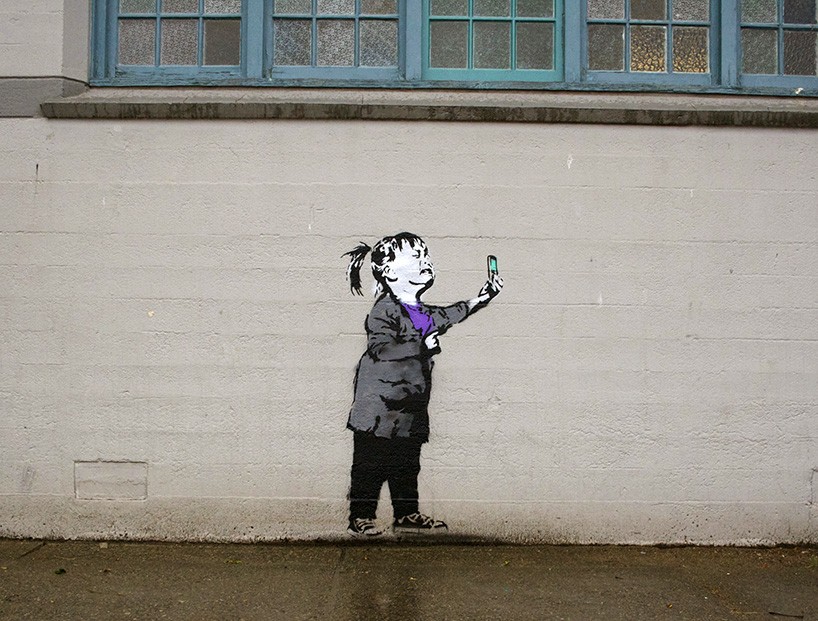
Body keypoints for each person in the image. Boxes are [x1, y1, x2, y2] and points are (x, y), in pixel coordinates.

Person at [343, 232, 503, 537]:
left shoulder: (423, 312)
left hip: (409, 409)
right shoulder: (384, 310)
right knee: (369, 465)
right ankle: (361, 516)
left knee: (406, 464)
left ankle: (406, 514)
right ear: (390, 272)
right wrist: (421, 346)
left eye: (426, 255)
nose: (425, 261)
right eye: (416, 257)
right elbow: (381, 349)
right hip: (377, 410)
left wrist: (481, 299)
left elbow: (450, 314)